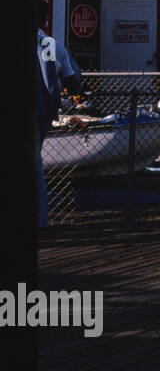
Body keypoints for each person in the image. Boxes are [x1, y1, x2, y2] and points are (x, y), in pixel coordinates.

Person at [36, 26, 82, 229]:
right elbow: (73, 80)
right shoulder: (52, 45)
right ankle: (39, 218)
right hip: (44, 110)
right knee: (34, 163)